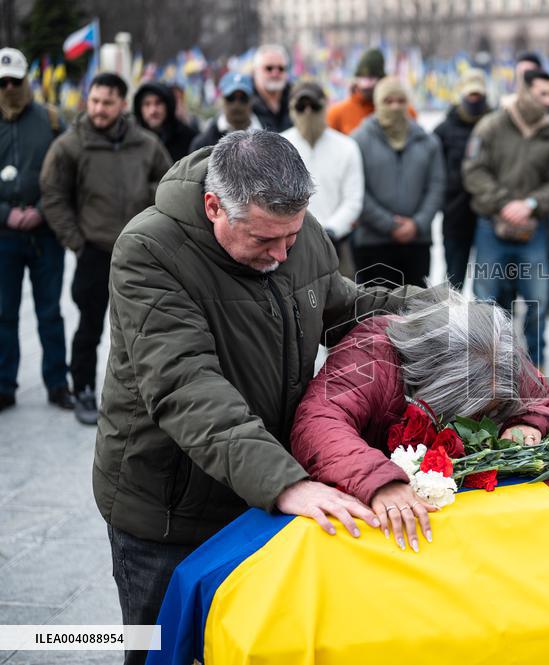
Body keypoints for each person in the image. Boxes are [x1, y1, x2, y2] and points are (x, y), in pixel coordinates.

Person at [93, 130, 419, 665]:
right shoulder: (148, 250)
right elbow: (186, 385)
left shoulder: (295, 231)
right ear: (213, 206)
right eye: (265, 241)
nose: (282, 252)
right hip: (168, 510)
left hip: (261, 495)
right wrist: (286, 482)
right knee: (161, 650)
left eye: (291, 236)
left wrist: (436, 313)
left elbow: (338, 303)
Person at [290, 289, 549, 550]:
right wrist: (380, 482)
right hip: (379, 518)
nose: (479, 420)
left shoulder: (497, 355)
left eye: (491, 409)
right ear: (430, 378)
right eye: (470, 412)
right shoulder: (371, 354)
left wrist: (527, 423)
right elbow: (318, 423)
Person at [40, 72, 171, 425]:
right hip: (94, 250)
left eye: (107, 102)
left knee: (143, 327)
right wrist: (76, 242)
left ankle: (145, 397)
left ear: (122, 105)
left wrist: (153, 220)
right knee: (89, 325)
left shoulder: (145, 144)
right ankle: (81, 387)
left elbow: (168, 184)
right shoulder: (70, 145)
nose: (98, 109)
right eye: (94, 100)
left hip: (140, 250)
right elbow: (52, 195)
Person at [463, 68, 549, 368]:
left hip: (533, 232)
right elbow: (474, 172)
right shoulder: (492, 126)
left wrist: (532, 204)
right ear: (524, 92)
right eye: (542, 94)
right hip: (491, 229)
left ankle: (535, 367)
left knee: (538, 301)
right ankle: (489, 368)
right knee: (486, 303)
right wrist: (505, 204)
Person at [0, 47, 73, 413]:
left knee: (49, 312)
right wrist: (5, 214)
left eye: (15, 81)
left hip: (44, 234)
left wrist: (43, 211)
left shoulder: (52, 120)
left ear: (27, 80)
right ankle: (4, 384)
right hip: (4, 236)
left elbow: (69, 172)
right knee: (3, 312)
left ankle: (58, 383)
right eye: (3, 82)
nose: (9, 87)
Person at [351, 77, 445, 287]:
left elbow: (436, 186)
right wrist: (389, 224)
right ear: (377, 103)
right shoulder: (358, 140)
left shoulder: (428, 142)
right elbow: (356, 190)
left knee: (415, 312)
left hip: (416, 242)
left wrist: (417, 224)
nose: (395, 106)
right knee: (376, 315)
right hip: (373, 243)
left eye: (400, 100)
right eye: (388, 101)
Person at [280, 80, 363, 276]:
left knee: (343, 303)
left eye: (314, 106)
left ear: (325, 106)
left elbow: (353, 199)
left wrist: (330, 231)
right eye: (301, 106)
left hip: (335, 244)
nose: (308, 112)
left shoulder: (346, 147)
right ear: (292, 109)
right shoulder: (279, 145)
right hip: (289, 246)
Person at [433, 68, 491, 289]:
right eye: (470, 94)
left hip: (489, 215)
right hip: (455, 216)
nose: (474, 99)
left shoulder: (497, 125)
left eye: (478, 95)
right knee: (454, 280)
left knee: (489, 282)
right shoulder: (443, 131)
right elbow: (435, 173)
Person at [326, 48, 418, 136]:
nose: (366, 85)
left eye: (371, 78)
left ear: (382, 80)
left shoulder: (403, 111)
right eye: (362, 78)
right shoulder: (337, 114)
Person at [189, 71, 261, 152]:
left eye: (243, 98)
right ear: (221, 98)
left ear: (251, 99)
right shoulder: (203, 143)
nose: (236, 104)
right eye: (231, 97)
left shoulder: (267, 132)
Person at [132, 81, 197, 163]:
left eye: (158, 103)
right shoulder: (131, 140)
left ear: (168, 105)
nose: (153, 111)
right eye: (147, 104)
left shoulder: (189, 139)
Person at [251, 44, 292, 132]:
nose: (275, 73)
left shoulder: (297, 100)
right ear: (255, 71)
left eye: (281, 68)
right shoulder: (243, 102)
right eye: (269, 68)